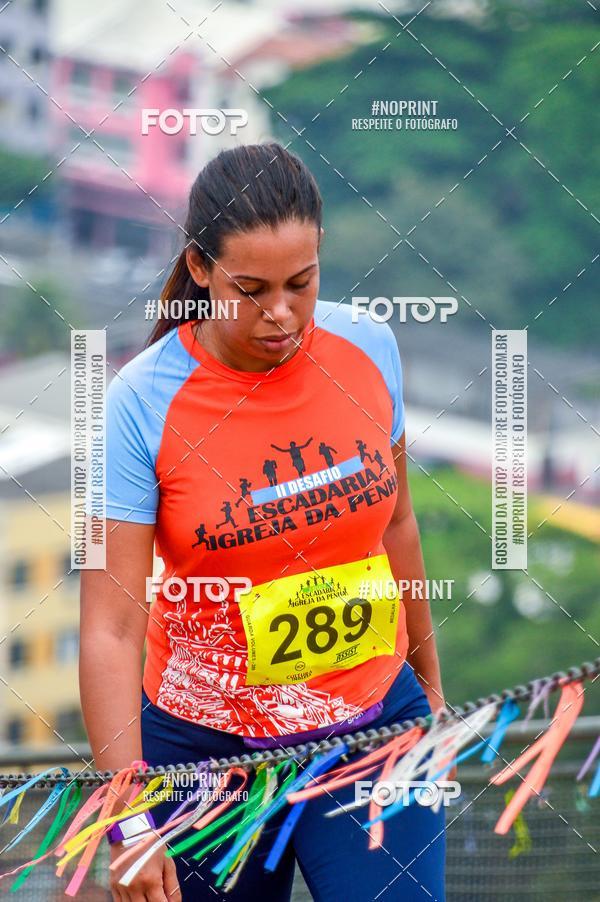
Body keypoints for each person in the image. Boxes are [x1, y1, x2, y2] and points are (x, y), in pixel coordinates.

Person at [80, 142, 448, 902]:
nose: (281, 314)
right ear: (201, 268)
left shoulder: (370, 348)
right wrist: (130, 816)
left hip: (373, 726)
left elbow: (399, 526)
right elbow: (111, 627)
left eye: (301, 284)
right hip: (204, 758)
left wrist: (430, 683)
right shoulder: (139, 401)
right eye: (251, 289)